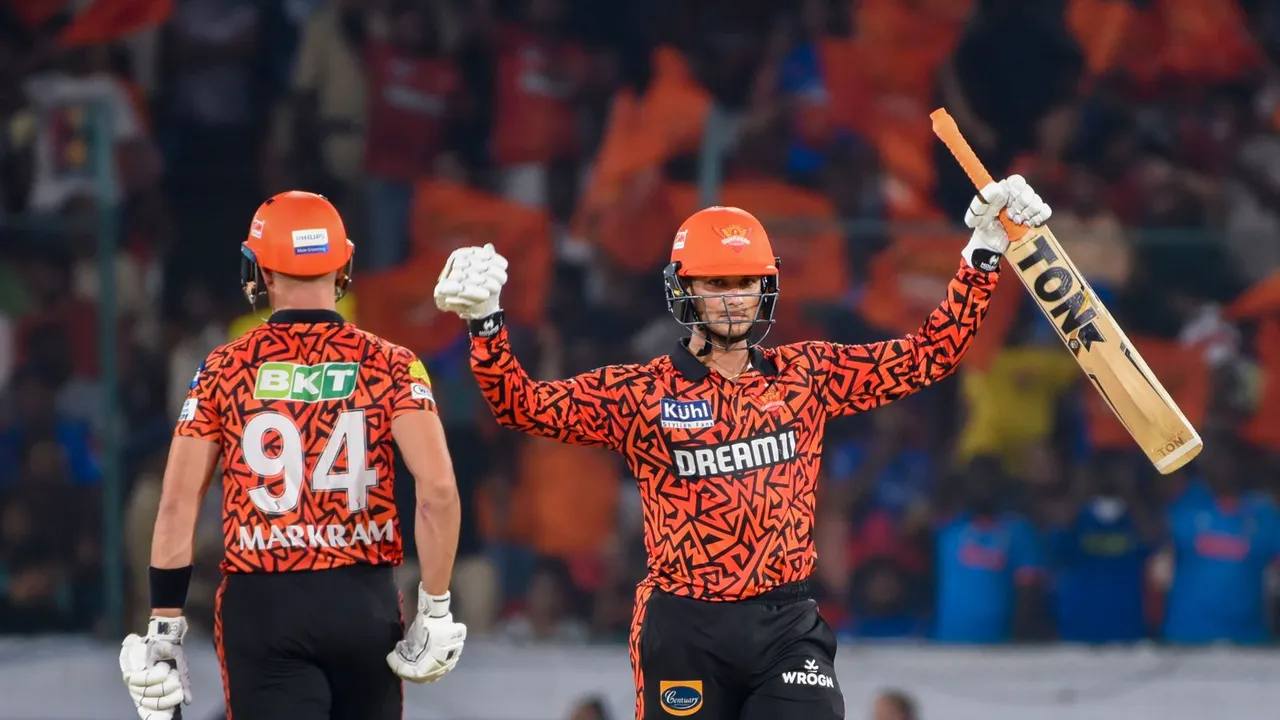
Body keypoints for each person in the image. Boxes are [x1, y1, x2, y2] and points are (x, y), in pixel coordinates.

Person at [434, 176, 1052, 719]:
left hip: (786, 621)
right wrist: (487, 324)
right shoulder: (641, 392)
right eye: (716, 283)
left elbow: (928, 357)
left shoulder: (807, 375)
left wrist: (981, 253)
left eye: (745, 283)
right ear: (685, 291)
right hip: (683, 624)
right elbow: (521, 405)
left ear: (767, 290)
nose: (732, 298)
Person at [117, 191, 468, 720]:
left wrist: (164, 626)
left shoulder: (223, 368)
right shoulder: (393, 364)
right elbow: (438, 491)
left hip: (263, 605)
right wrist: (436, 607)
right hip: (363, 601)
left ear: (260, 271)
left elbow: (177, 503)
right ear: (342, 264)